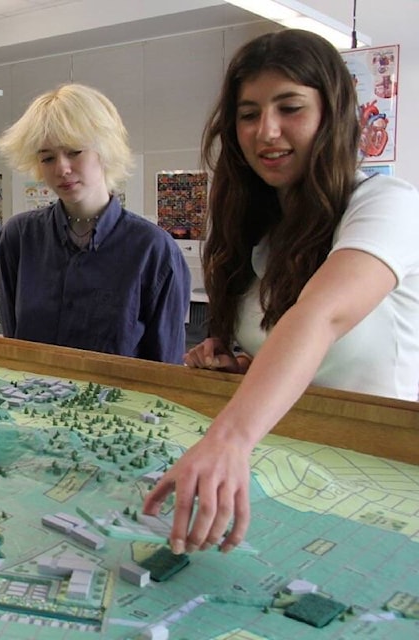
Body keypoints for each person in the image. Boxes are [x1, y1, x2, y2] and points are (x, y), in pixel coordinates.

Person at [143, 30, 419, 556]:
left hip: (384, 478)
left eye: (289, 107)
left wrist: (229, 438)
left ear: (331, 114)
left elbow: (322, 316)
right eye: (248, 114)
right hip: (296, 472)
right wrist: (244, 365)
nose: (266, 132)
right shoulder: (265, 232)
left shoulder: (388, 203)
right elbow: (302, 354)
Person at [0, 83, 190, 363]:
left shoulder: (153, 249)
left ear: (104, 150)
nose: (61, 168)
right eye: (47, 157)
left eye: (74, 151)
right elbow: (15, 344)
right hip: (31, 401)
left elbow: (166, 364)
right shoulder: (19, 238)